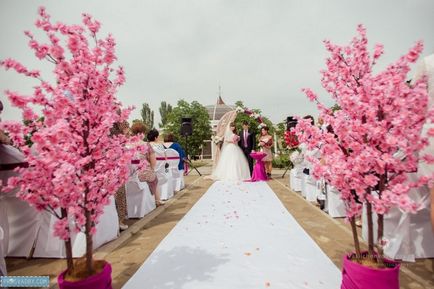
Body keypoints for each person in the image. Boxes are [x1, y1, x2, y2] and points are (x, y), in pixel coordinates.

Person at [130, 123, 164, 206]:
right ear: (142, 133)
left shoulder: (127, 145)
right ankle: (157, 200)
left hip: (129, 175)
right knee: (155, 178)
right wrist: (151, 169)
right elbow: (153, 162)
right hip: (142, 173)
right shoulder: (146, 145)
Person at [111, 121, 130, 231]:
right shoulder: (121, 123)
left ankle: (117, 220)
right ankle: (120, 220)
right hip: (116, 159)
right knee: (119, 192)